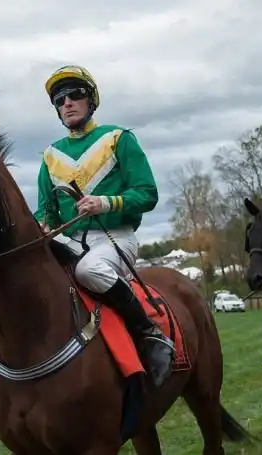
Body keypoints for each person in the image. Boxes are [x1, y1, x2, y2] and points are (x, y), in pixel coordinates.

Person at [33, 64, 173, 387]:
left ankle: (149, 332)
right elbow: (46, 211)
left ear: (91, 100)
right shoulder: (50, 156)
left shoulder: (118, 138)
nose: (67, 103)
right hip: (70, 241)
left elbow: (148, 193)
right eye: (59, 100)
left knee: (87, 271)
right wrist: (43, 226)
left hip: (115, 238)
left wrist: (106, 203)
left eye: (74, 94)